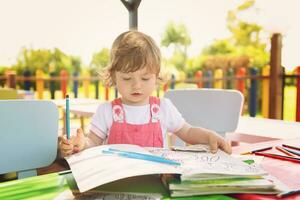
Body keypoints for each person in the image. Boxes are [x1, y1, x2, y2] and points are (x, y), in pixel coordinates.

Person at [60, 30, 231, 157]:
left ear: (156, 76)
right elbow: (93, 142)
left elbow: (187, 132)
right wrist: (81, 144)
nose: (136, 85)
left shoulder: (163, 108)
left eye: (145, 78)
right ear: (114, 76)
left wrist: (209, 135)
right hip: (118, 183)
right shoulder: (107, 111)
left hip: (157, 181)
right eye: (127, 78)